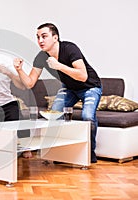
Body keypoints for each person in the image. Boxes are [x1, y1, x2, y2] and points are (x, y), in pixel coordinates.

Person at [13, 23, 102, 163]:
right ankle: (61, 152)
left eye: (44, 36)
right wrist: (19, 70)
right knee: (54, 114)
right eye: (38, 37)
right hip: (70, 88)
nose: (40, 40)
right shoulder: (41, 57)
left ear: (55, 37)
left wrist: (59, 66)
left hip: (90, 87)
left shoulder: (70, 48)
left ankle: (89, 153)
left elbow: (83, 76)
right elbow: (30, 83)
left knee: (87, 116)